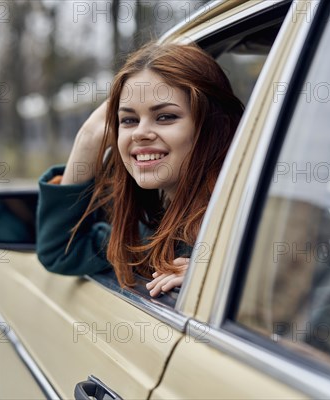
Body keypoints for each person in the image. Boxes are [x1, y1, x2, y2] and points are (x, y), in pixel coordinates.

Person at [37, 42, 243, 297]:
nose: (140, 133)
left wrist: (220, 277)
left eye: (166, 116)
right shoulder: (148, 229)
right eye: (129, 120)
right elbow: (61, 251)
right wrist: (89, 138)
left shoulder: (242, 220)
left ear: (216, 126)